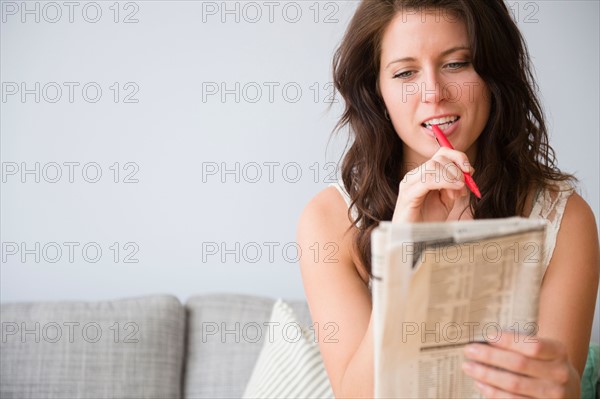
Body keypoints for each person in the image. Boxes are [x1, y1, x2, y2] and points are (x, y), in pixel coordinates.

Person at [296, 1, 600, 398]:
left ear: (493, 73)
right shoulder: (329, 220)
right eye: (405, 72)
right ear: (377, 92)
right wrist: (405, 260)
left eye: (456, 64)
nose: (433, 93)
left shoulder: (567, 218)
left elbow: (552, 387)